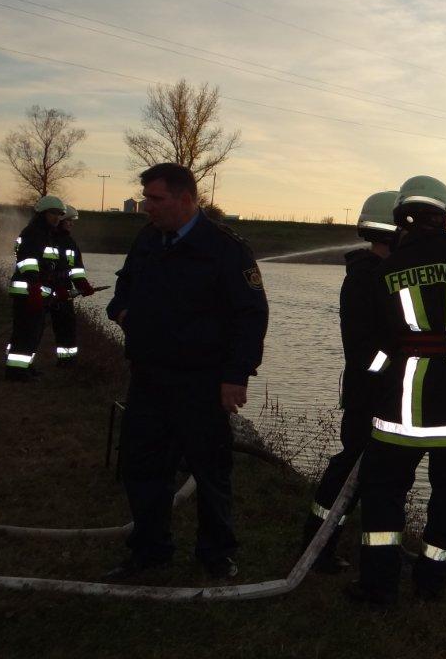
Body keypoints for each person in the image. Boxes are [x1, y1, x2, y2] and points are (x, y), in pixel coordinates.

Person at [105, 163, 268, 580]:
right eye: (146, 198)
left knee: (210, 470)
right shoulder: (147, 240)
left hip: (202, 382)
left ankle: (216, 554)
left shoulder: (225, 248)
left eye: (155, 199)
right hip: (148, 377)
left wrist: (236, 376)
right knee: (142, 466)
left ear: (186, 199)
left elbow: (250, 317)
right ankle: (149, 550)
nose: (147, 207)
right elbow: (123, 291)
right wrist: (124, 314)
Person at [349, 175, 446, 606]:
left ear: (401, 220)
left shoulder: (385, 271)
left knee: (383, 495)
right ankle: (431, 585)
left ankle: (379, 588)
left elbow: (372, 344)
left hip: (402, 412)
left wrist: (386, 373)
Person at [301, 190, 399, 572]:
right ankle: (318, 545)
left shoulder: (381, 275)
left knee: (379, 476)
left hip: (380, 393)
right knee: (350, 471)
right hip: (369, 395)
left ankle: (369, 552)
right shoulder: (366, 278)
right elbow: (364, 353)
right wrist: (396, 367)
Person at [5, 195, 65, 381]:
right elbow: (28, 262)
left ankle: (26, 367)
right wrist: (34, 285)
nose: (57, 217)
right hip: (28, 291)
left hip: (37, 291)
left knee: (34, 333)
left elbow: (49, 266)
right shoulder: (33, 233)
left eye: (59, 214)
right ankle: (16, 372)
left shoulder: (47, 234)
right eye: (53, 213)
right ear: (42, 214)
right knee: (25, 332)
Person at [49, 205, 96, 365]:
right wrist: (57, 287)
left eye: (72, 221)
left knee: (67, 327)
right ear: (60, 220)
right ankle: (21, 367)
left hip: (64, 292)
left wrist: (83, 285)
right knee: (33, 328)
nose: (71, 224)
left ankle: (67, 362)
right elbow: (42, 269)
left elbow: (76, 269)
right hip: (44, 291)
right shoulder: (47, 239)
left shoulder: (70, 242)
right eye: (68, 220)